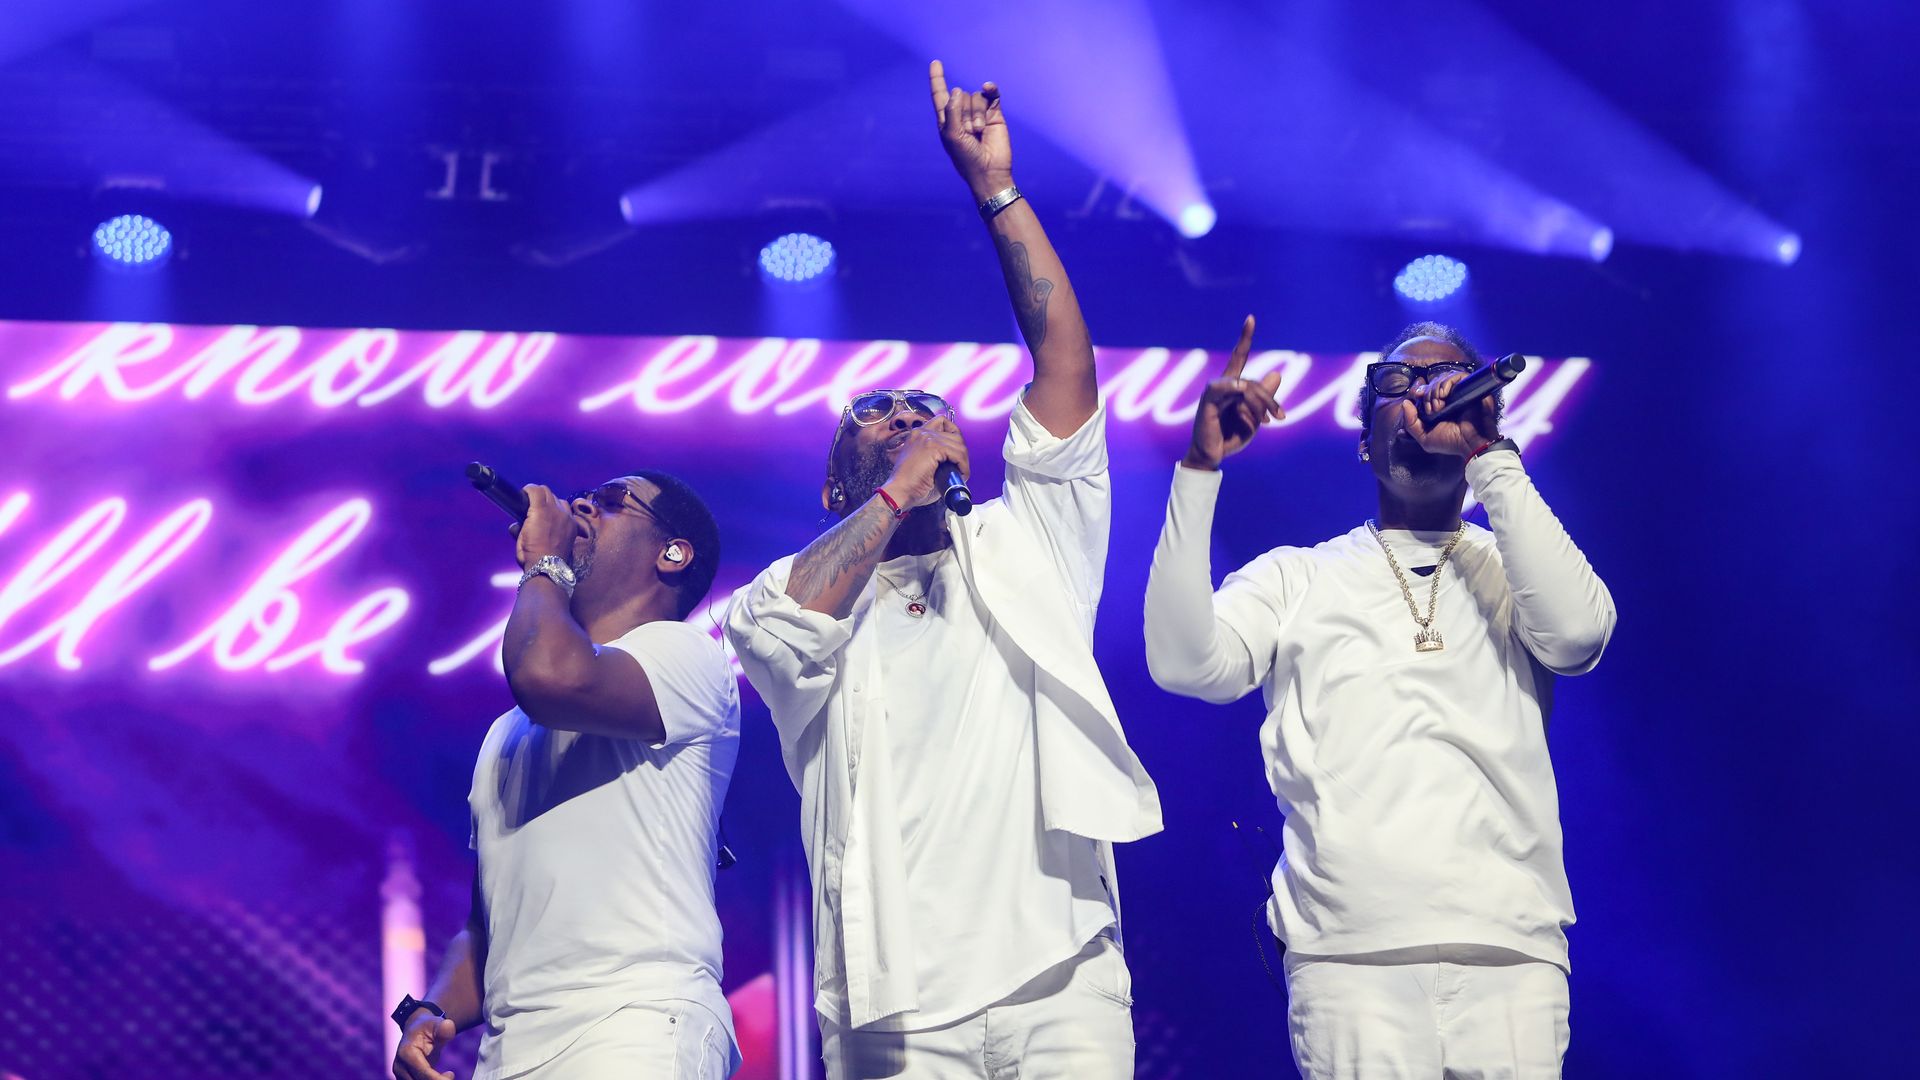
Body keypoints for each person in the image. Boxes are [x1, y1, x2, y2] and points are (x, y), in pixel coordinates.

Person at [724, 61, 1160, 1080]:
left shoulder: (1027, 541)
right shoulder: (782, 595)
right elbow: (788, 630)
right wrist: (899, 491)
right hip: (896, 1001)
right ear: (836, 489)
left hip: (1062, 976)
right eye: (878, 413)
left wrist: (993, 189)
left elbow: (1064, 368)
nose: (912, 416)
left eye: (928, 409)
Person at [1144, 319, 1616, 1078]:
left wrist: (1488, 456)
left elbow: (1579, 637)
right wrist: (1200, 468)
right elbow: (1182, 663)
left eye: (1448, 380)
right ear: (1365, 437)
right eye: (1398, 384)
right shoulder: (1295, 577)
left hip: (1511, 954)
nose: (1426, 394)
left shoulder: (1514, 566)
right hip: (1349, 958)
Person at [392, 472, 740, 1080]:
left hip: (635, 1024)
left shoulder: (686, 655)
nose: (581, 504)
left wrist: (546, 563)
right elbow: (488, 926)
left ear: (673, 553)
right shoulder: (506, 732)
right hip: (511, 1050)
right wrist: (434, 1008)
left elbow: (554, 676)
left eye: (610, 502)